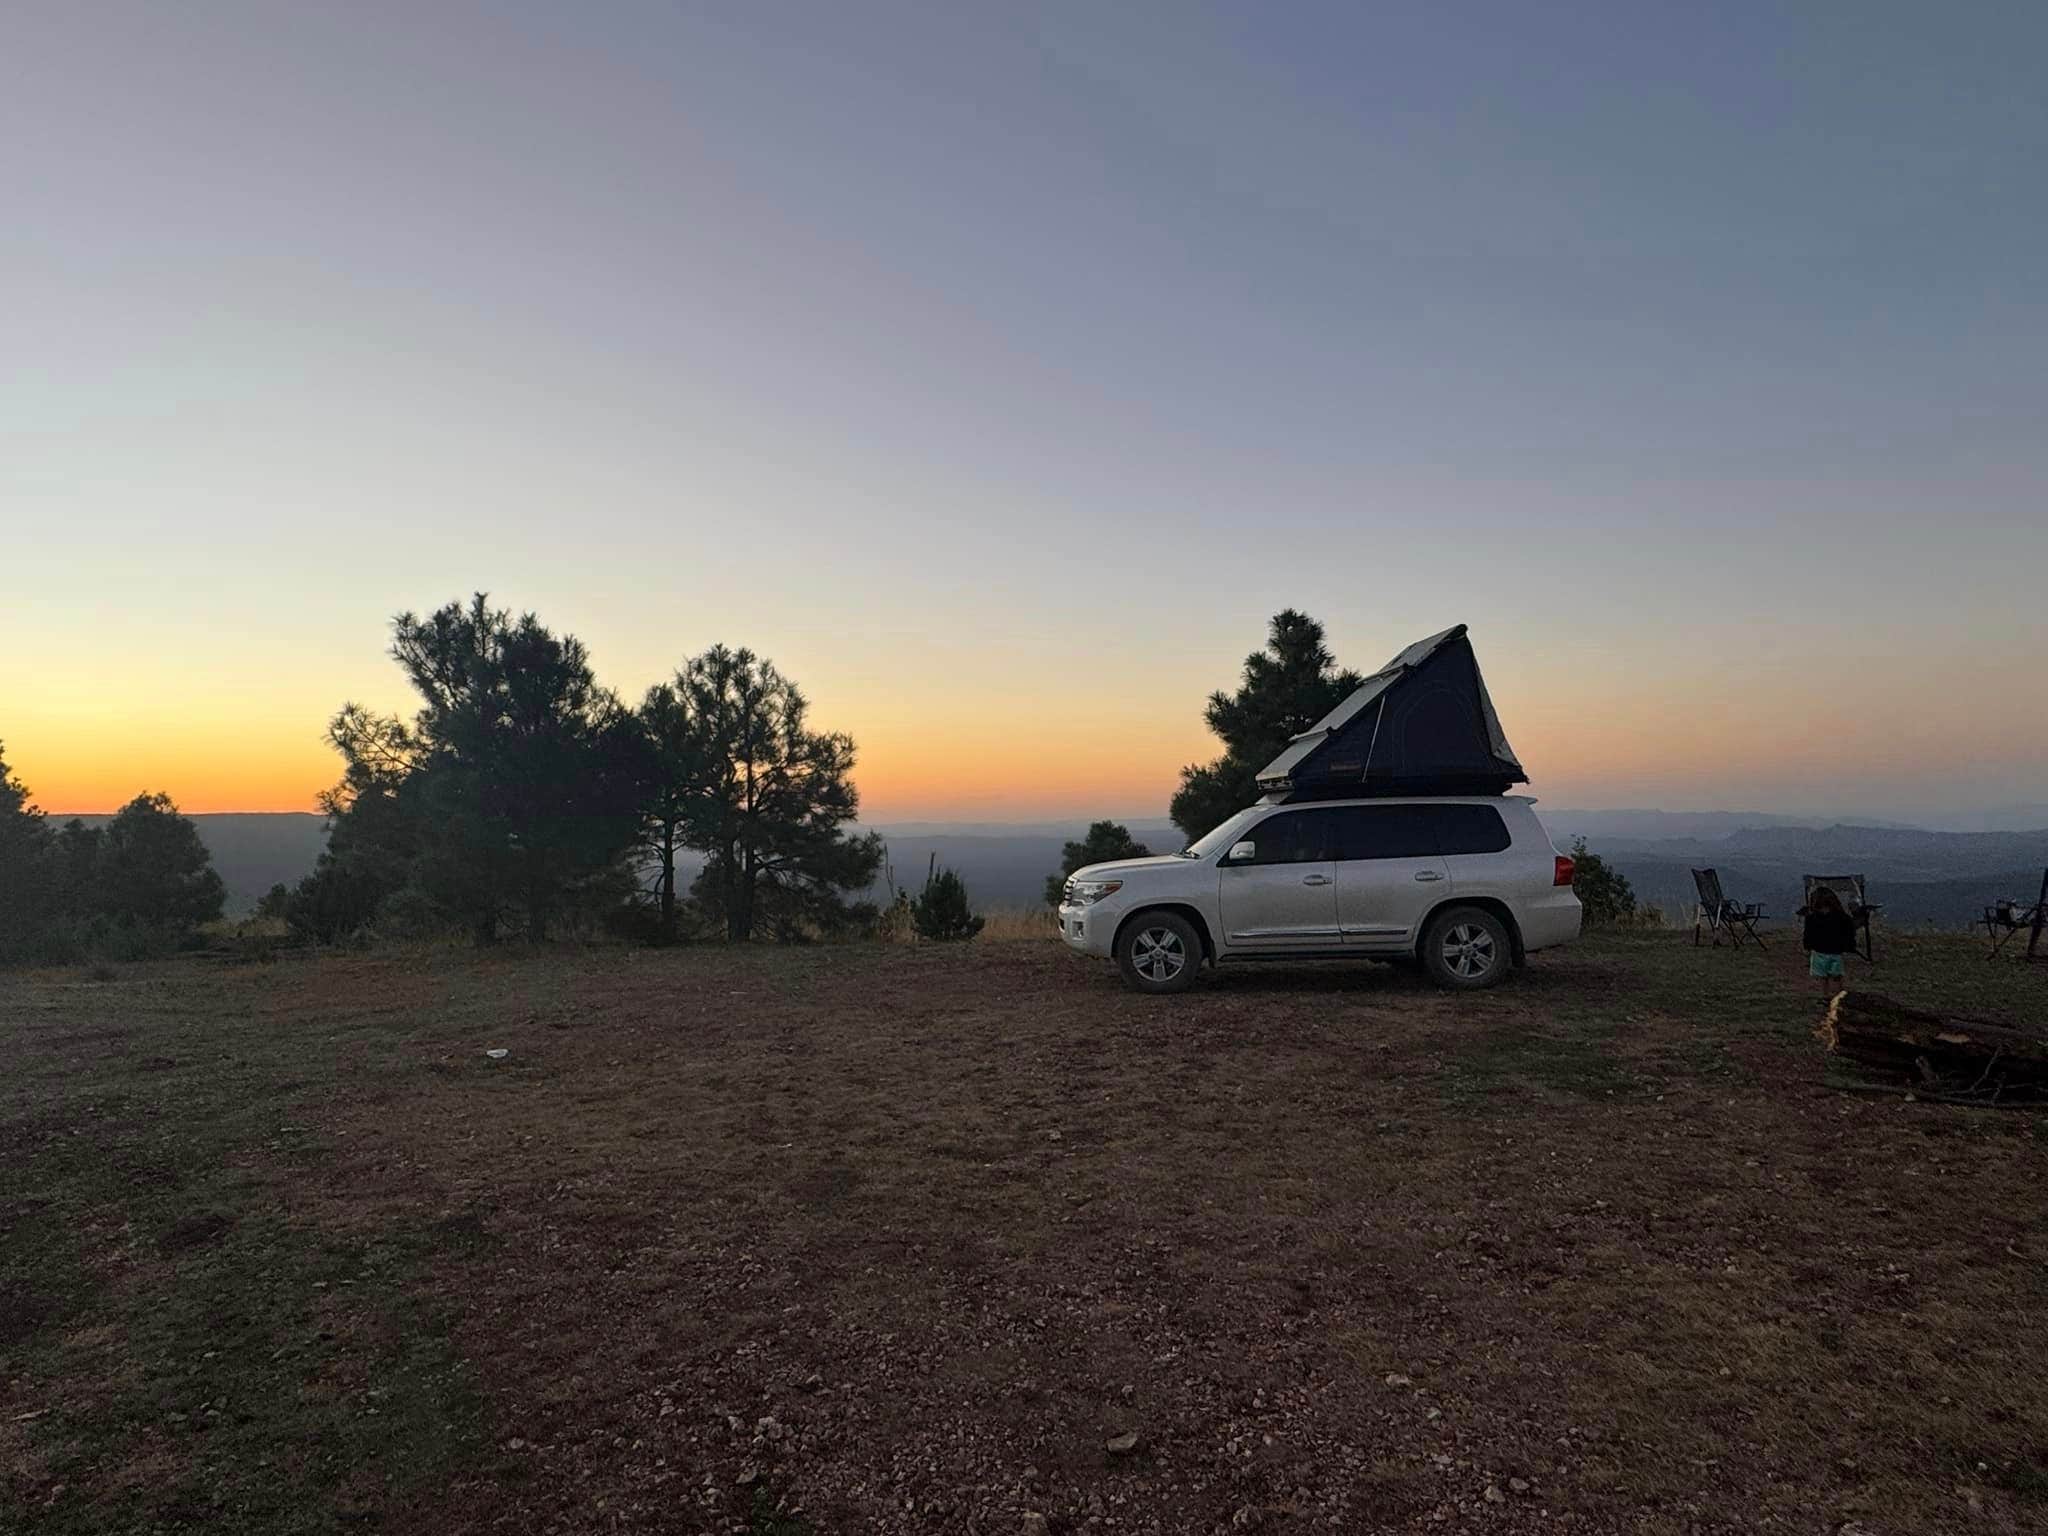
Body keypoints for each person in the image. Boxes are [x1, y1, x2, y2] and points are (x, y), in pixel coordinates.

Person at [1802, 886, 1857, 1005]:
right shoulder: (1842, 918)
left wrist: (1807, 946)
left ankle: (1828, 996)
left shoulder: (1812, 918)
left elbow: (1808, 935)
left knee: (1824, 976)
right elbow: (1849, 933)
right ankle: (1837, 996)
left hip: (1820, 952)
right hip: (1833, 951)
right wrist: (1849, 946)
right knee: (1834, 975)